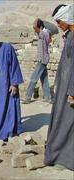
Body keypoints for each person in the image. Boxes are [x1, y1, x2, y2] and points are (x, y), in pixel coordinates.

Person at [44, 4, 74, 171]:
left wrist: (72, 91)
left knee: (67, 122)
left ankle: (64, 157)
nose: (59, 25)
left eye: (60, 21)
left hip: (70, 88)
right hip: (65, 86)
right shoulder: (70, 35)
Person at [22, 19, 52, 104]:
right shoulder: (42, 33)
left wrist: (37, 26)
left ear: (41, 27)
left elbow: (42, 33)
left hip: (42, 60)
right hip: (42, 59)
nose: (34, 29)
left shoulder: (44, 33)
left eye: (35, 27)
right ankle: (48, 97)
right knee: (44, 79)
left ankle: (28, 97)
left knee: (34, 78)